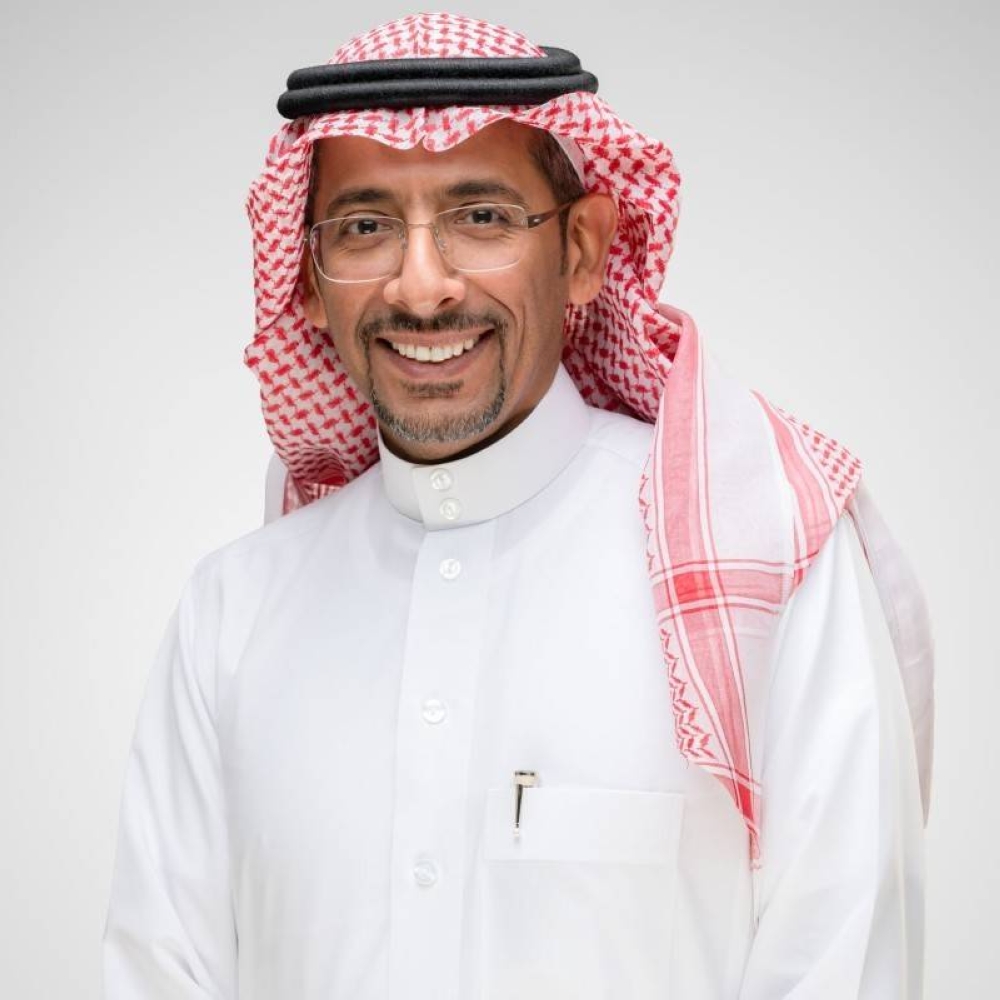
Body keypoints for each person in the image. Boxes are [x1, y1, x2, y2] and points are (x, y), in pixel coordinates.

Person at [102, 12, 934, 999]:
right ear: (310, 281)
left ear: (582, 250)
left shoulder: (767, 554)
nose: (421, 287)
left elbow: (842, 965)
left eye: (482, 218)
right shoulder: (232, 612)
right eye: (365, 227)